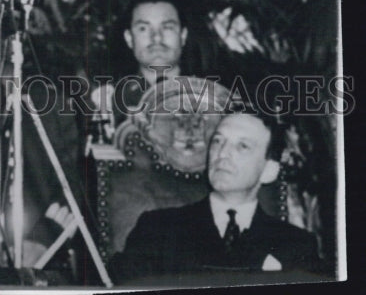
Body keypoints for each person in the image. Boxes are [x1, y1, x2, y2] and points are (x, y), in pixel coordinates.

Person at [111, 110, 320, 279]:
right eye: (218, 141)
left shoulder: (297, 245)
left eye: (243, 146)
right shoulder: (157, 229)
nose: (222, 153)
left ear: (269, 171)